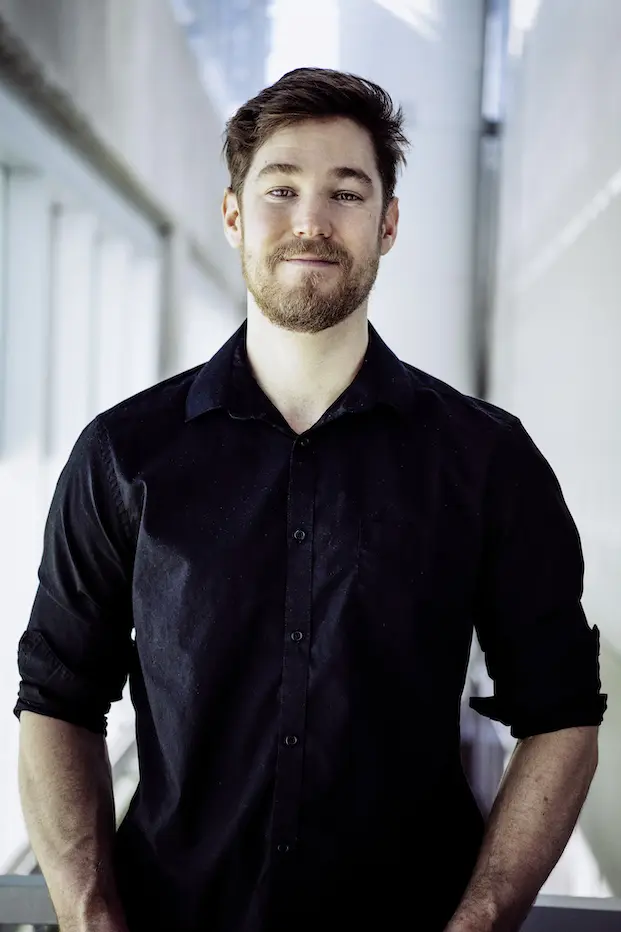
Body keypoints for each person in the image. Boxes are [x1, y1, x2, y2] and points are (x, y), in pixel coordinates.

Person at [14, 67, 606, 932]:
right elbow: (56, 699)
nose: (310, 221)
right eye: (280, 188)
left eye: (346, 191)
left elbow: (561, 716)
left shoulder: (487, 460)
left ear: (388, 222)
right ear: (232, 214)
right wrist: (91, 913)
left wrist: (479, 918)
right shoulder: (123, 453)